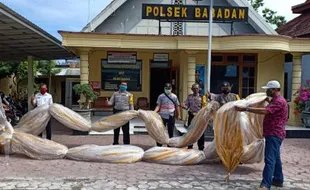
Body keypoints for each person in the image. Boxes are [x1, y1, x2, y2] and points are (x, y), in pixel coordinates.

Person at [235, 80, 288, 190]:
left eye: (268, 89)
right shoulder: (275, 100)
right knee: (276, 158)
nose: (266, 91)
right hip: (274, 133)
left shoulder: (279, 101)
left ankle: (265, 184)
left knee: (269, 159)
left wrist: (246, 108)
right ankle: (278, 179)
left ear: (274, 90)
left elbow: (265, 111)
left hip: (274, 134)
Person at [181, 83, 207, 150]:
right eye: (194, 88)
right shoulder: (189, 97)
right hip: (191, 116)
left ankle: (201, 147)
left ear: (199, 89)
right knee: (190, 132)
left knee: (200, 132)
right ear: (191, 89)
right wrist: (183, 105)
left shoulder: (202, 97)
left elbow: (205, 107)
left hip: (200, 117)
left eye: (197, 88)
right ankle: (190, 146)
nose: (195, 90)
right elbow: (186, 106)